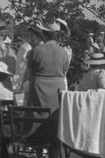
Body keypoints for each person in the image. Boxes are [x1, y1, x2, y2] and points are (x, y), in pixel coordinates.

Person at [26, 21, 70, 158]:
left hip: (38, 87)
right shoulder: (64, 52)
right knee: (56, 119)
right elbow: (64, 72)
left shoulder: (35, 51)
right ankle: (54, 151)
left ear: (43, 34)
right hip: (58, 88)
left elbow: (29, 76)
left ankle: (39, 153)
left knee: (37, 117)